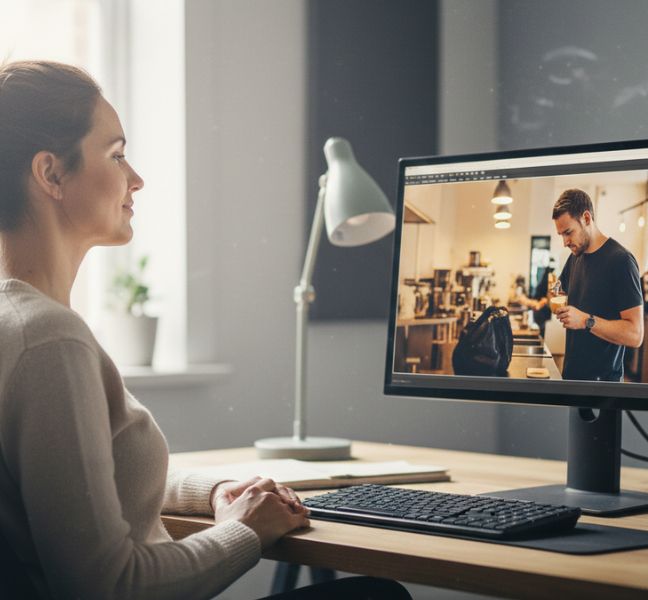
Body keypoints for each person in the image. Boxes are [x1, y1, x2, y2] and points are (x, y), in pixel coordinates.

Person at [0, 61, 410, 600]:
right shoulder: (50, 341)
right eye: (117, 155)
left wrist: (217, 492)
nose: (136, 178)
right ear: (51, 174)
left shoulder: (22, 326)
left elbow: (84, 487)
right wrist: (245, 531)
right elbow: (109, 587)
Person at [551, 189, 644, 381]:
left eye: (568, 232)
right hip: (572, 376)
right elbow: (557, 289)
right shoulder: (575, 257)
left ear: (586, 218)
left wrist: (585, 320)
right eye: (561, 235)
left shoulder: (621, 261)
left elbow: (635, 335)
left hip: (602, 385)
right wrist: (555, 297)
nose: (565, 242)